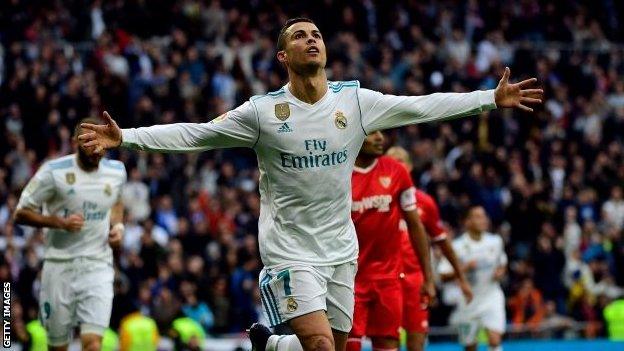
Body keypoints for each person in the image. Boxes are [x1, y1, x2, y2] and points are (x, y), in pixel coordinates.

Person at [78, 17, 542, 351]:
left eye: (317, 34)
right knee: (321, 344)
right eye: (300, 36)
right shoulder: (261, 113)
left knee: (334, 347)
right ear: (284, 55)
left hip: (341, 250)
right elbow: (196, 134)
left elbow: (422, 106)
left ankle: (274, 346)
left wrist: (488, 99)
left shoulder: (355, 102)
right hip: (289, 250)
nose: (312, 40)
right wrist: (128, 138)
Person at [13, 118, 127, 351]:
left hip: (98, 266)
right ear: (75, 142)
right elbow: (21, 214)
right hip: (59, 267)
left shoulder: (116, 172)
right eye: (89, 144)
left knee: (93, 344)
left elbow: (116, 202)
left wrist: (118, 226)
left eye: (101, 146)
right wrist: (58, 222)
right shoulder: (53, 172)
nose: (96, 151)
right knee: (58, 346)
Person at [347, 131, 434, 351]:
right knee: (349, 344)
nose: (379, 138)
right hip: (349, 278)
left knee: (388, 344)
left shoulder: (397, 172)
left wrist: (428, 277)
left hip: (388, 279)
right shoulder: (339, 172)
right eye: (372, 132)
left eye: (382, 133)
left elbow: (416, 226)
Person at [386, 146, 473, 351]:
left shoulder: (424, 202)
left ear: (409, 167)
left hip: (415, 281)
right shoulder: (378, 199)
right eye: (390, 162)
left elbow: (443, 242)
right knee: (389, 342)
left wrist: (461, 277)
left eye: (400, 161)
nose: (396, 166)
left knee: (416, 343)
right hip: (385, 279)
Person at [438, 206, 507, 351]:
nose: (483, 220)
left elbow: (502, 263)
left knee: (495, 339)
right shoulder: (456, 247)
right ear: (467, 222)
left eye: (484, 216)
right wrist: (463, 269)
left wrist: (500, 272)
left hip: (491, 295)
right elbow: (442, 276)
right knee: (470, 346)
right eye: (478, 216)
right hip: (468, 300)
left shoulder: (495, 241)